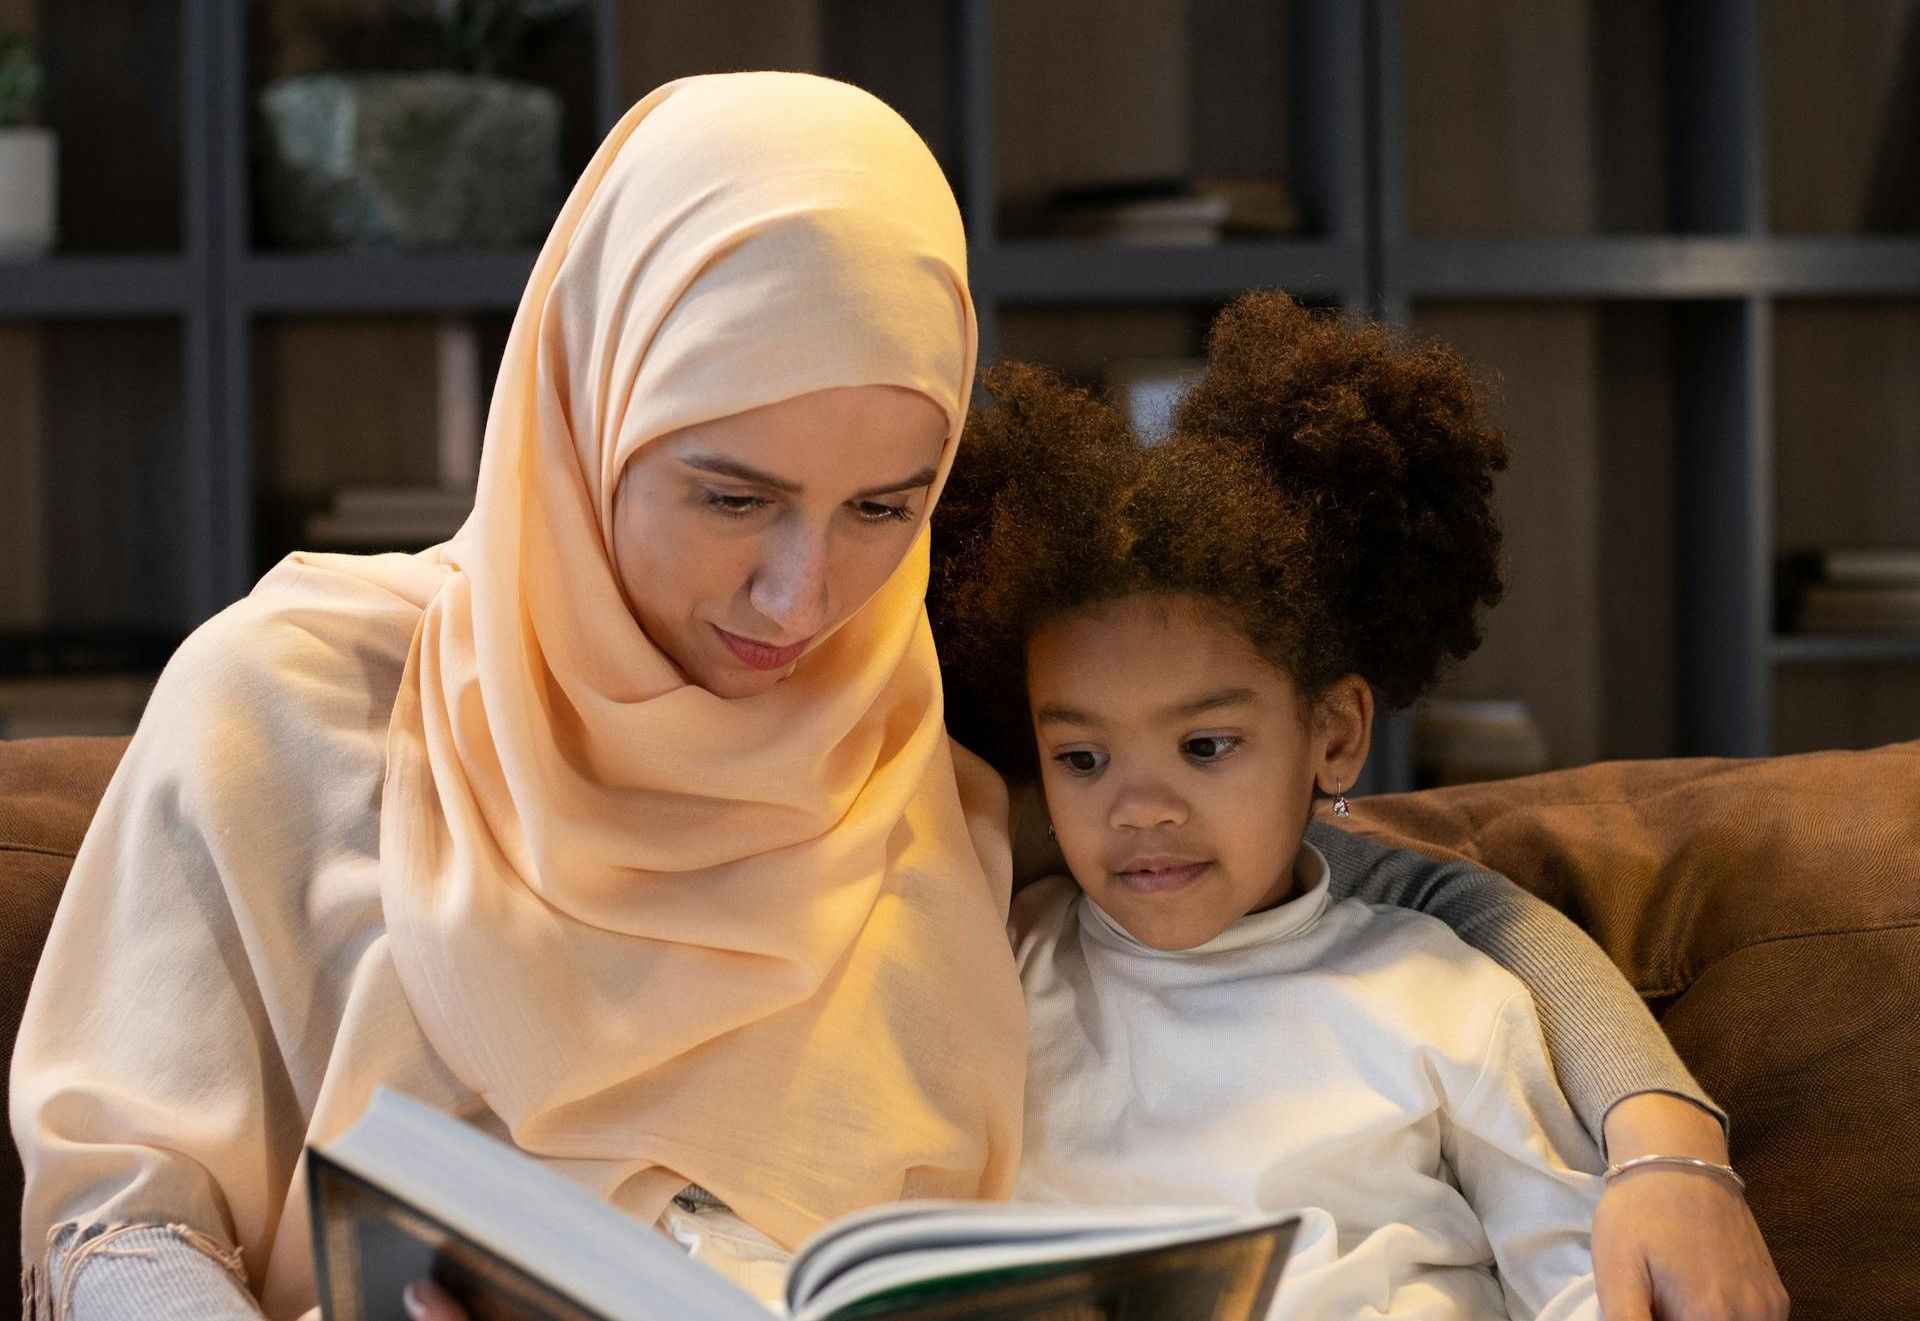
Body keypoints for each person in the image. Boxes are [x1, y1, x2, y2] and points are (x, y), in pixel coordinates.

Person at [11, 73, 1778, 1320]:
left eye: (885, 509)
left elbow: (1385, 879)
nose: (805, 601)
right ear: (582, 411)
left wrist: (1657, 1131)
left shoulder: (936, 737)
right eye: (729, 497)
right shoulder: (290, 699)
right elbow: (116, 1220)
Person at [929, 292, 1789, 1319]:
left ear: (1334, 735)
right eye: (1081, 757)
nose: (1141, 807)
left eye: (1205, 746)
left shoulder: (1444, 997)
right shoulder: (999, 970)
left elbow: (1581, 1281)